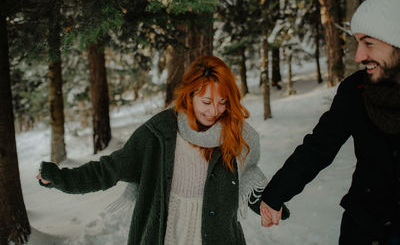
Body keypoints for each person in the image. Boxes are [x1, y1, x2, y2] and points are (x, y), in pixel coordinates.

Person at [37, 55, 270, 245]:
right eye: (206, 102)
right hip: (165, 235)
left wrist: (271, 203)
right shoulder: (159, 133)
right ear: (189, 96)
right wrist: (61, 178)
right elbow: (109, 169)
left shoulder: (236, 136)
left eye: (223, 102)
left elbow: (247, 180)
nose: (215, 111)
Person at [259, 0, 400, 244]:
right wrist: (275, 194)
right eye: (357, 42)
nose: (359, 55)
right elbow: (317, 149)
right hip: (365, 230)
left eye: (368, 43)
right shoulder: (355, 92)